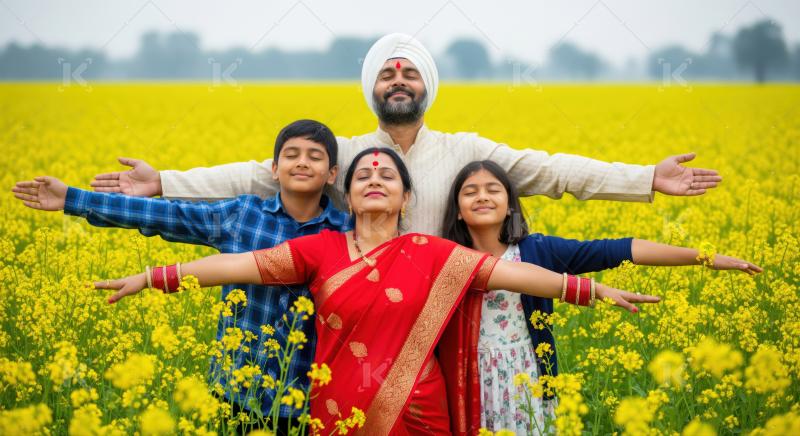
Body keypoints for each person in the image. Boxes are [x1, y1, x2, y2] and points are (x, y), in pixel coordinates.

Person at [89, 147, 660, 434]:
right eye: (363, 175)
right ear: (349, 193)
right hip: (337, 411)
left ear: (407, 198)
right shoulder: (319, 250)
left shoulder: (431, 252)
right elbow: (236, 266)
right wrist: (153, 278)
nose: (375, 180)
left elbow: (514, 275)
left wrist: (589, 290)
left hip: (422, 410)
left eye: (388, 175)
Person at [88, 33, 722, 238]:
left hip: (451, 307)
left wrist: (646, 178)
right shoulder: (341, 154)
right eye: (387, 73)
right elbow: (255, 175)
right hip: (361, 319)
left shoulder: (469, 151)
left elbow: (552, 170)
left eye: (409, 72)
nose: (398, 80)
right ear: (372, 88)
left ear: (426, 87)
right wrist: (162, 182)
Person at [12, 120, 350, 433]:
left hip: (308, 403)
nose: (302, 162)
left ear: (332, 174)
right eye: (291, 155)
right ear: (274, 169)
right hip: (235, 392)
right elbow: (165, 214)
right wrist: (73, 199)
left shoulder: (347, 233)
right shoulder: (242, 215)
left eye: (314, 157)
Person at [438, 160, 762, 434]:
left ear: (510, 205)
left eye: (493, 189)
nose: (482, 196)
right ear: (458, 211)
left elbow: (616, 250)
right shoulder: (444, 259)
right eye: (470, 192)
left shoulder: (537, 250)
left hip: (530, 376)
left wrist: (703, 257)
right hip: (468, 382)